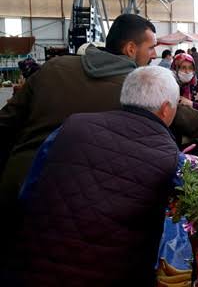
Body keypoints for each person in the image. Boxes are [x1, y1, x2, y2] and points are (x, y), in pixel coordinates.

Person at [0, 14, 198, 223]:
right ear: (129, 49)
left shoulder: (54, 67)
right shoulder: (137, 85)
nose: (154, 55)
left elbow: (6, 123)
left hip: (14, 189)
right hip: (72, 205)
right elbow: (194, 121)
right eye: (150, 48)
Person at [8, 66, 183, 286]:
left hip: (30, 269)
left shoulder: (72, 125)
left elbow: (29, 189)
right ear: (166, 109)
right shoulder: (170, 156)